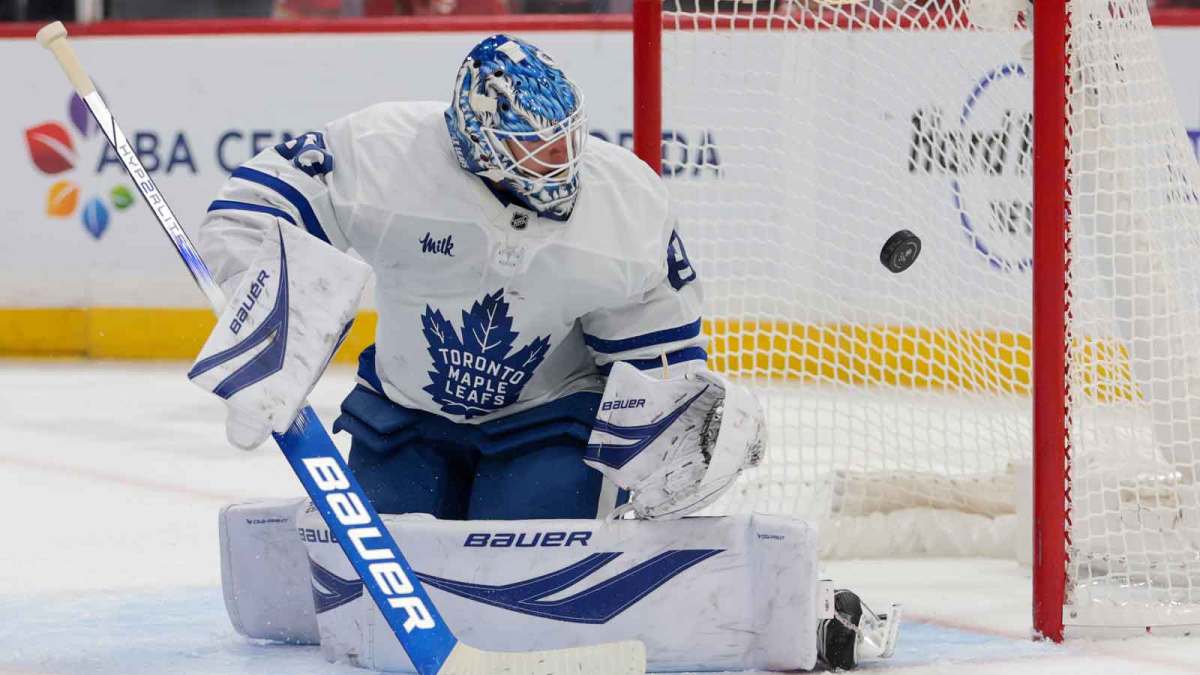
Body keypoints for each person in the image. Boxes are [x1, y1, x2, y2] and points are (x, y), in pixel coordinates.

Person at [194, 34, 898, 671]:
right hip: (405, 412)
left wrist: (675, 443)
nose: (561, 162)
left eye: (566, 140)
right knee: (382, 567)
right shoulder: (384, 155)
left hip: (546, 420)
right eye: (535, 147)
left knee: (531, 582)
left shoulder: (626, 208)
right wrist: (267, 325)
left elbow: (659, 365)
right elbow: (250, 211)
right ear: (476, 142)